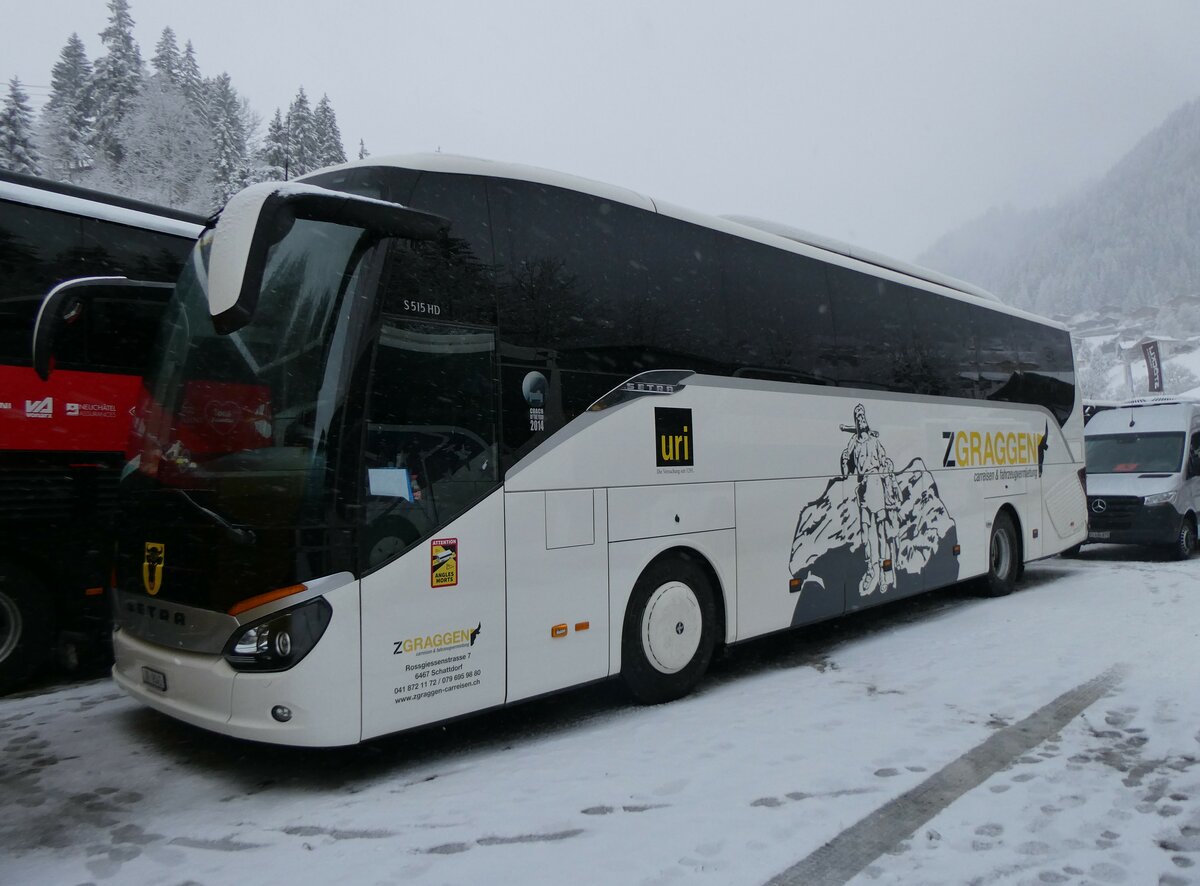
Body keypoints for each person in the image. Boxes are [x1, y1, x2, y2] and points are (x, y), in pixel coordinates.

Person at [840, 404, 899, 595]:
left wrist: (889, 479)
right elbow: (847, 465)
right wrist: (844, 461)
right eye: (858, 416)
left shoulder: (874, 441)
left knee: (881, 532)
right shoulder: (853, 442)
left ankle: (884, 571)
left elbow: (885, 462)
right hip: (863, 489)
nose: (861, 419)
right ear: (856, 421)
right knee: (866, 534)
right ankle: (870, 570)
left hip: (876, 487)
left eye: (863, 415)